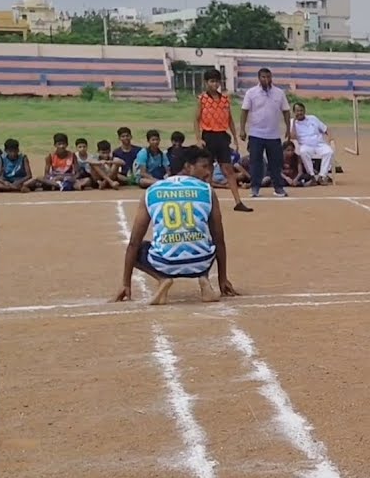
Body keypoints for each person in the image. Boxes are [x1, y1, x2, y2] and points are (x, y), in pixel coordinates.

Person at [112, 146, 239, 306]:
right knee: (207, 240)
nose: (209, 172)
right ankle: (204, 280)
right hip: (202, 262)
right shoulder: (207, 191)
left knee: (138, 248)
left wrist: (126, 283)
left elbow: (133, 243)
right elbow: (219, 239)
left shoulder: (152, 191)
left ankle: (163, 278)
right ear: (188, 166)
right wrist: (222, 279)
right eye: (204, 166)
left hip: (165, 263)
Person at [195, 69, 252, 211]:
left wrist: (234, 136)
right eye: (211, 81)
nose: (215, 84)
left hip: (222, 136)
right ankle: (206, 202)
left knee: (228, 169)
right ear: (206, 83)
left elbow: (230, 119)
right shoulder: (202, 99)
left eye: (217, 81)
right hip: (208, 135)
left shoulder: (225, 99)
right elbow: (196, 119)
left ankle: (238, 202)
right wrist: (198, 138)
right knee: (208, 170)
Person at [239, 67, 291, 198]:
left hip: (273, 135)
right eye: (263, 77)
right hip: (256, 133)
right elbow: (244, 111)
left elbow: (286, 111)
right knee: (256, 162)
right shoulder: (251, 93)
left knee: (276, 163)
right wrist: (242, 129)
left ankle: (278, 187)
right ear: (259, 78)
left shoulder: (279, 93)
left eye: (268, 77)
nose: (266, 80)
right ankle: (255, 188)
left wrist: (288, 129)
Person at [289, 102, 335, 184]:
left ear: (304, 111)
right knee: (303, 152)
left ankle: (322, 176)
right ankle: (311, 176)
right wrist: (294, 123)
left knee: (329, 152)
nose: (299, 113)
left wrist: (331, 138)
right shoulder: (292, 122)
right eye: (297, 111)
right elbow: (293, 137)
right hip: (305, 145)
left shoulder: (313, 118)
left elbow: (326, 129)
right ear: (294, 112)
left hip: (319, 144)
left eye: (301, 110)